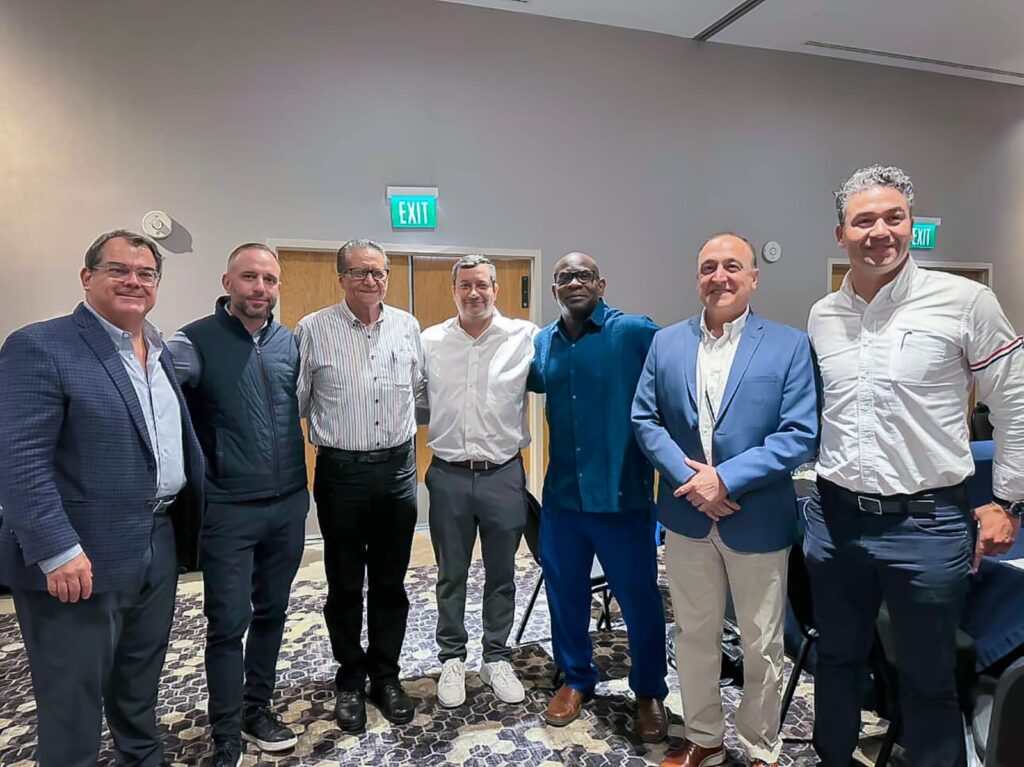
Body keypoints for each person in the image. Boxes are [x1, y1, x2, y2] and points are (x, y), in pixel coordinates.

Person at [806, 165, 1024, 766]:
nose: (880, 231)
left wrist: (1008, 501)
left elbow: (1014, 400)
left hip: (926, 526)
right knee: (836, 660)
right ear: (841, 233)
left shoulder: (966, 302)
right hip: (836, 520)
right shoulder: (822, 315)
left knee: (928, 677)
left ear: (911, 223)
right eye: (864, 220)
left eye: (893, 217)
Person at [0, 230, 205, 767]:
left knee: (140, 680)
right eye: (119, 270)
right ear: (87, 277)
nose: (134, 281)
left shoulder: (157, 349)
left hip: (157, 540)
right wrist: (56, 549)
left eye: (146, 273)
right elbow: (18, 459)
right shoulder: (40, 346)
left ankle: (142, 759)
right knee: (73, 700)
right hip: (78, 557)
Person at [632, 233, 818, 767]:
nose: (720, 277)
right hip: (687, 516)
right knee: (694, 634)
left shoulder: (788, 345)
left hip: (756, 518)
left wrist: (726, 480)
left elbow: (799, 433)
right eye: (709, 267)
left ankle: (761, 747)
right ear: (697, 279)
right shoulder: (666, 343)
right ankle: (704, 738)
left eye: (732, 266)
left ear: (753, 277)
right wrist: (693, 483)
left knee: (762, 643)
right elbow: (645, 420)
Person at [167, 243, 308, 767]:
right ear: (227, 282)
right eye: (250, 277)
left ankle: (256, 709)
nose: (260, 289)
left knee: (273, 612)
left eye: (269, 280)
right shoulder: (193, 342)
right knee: (227, 623)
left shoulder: (289, 342)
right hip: (228, 509)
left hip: (288, 504)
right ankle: (225, 731)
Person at [528, 252, 669, 741]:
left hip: (622, 497)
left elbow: (677, 380)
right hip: (563, 498)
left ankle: (648, 690)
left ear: (601, 284)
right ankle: (576, 678)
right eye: (564, 277)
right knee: (564, 595)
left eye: (584, 275)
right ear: (554, 289)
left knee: (639, 599)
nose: (574, 282)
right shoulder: (544, 342)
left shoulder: (634, 332)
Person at [296, 238, 423, 732]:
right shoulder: (313, 329)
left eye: (378, 272)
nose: (370, 280)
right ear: (342, 278)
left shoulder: (407, 326)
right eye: (359, 272)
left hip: (397, 472)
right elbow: (298, 401)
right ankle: (350, 677)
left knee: (391, 583)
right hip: (341, 473)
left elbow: (418, 392)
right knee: (345, 582)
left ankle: (385, 675)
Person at [420, 255, 538, 708]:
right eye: (465, 285)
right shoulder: (431, 341)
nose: (474, 293)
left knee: (502, 573)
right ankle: (452, 657)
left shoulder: (525, 337)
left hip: (503, 475)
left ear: (496, 289)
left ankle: (496, 657)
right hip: (448, 475)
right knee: (450, 574)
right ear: (454, 291)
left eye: (482, 285)